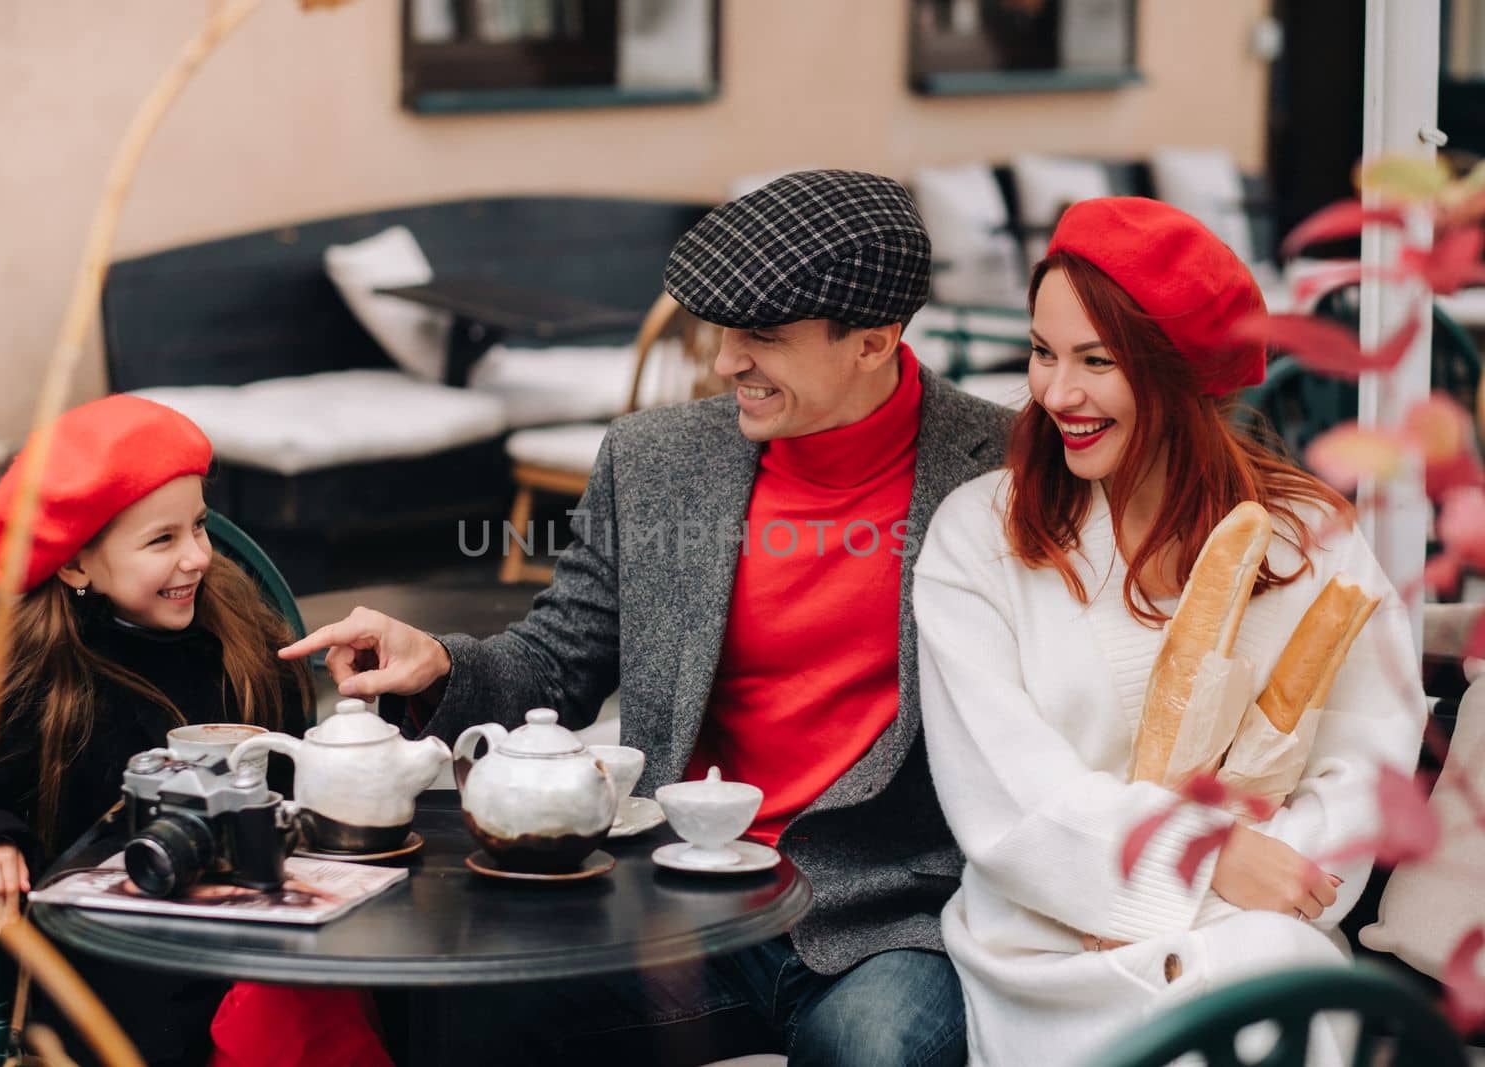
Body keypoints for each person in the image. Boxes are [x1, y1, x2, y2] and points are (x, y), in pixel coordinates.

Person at [281, 169, 1015, 1065]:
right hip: (683, 896)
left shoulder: (1007, 472)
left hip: (893, 916)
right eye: (723, 332)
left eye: (763, 338)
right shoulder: (657, 458)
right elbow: (558, 661)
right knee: (452, 1017)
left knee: (875, 1052)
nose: (725, 362)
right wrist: (437, 659)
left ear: (874, 341)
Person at [911, 197, 1426, 1066]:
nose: (1055, 392)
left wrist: (1223, 886)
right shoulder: (977, 536)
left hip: (1262, 932)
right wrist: (1202, 861)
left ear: (1181, 372)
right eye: (1042, 351)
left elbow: (1368, 758)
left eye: (1096, 360)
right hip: (1053, 951)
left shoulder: (1308, 539)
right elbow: (1008, 794)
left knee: (1272, 986)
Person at [0, 395, 382, 1067]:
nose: (197, 558)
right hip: (114, 975)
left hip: (252, 938)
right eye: (162, 539)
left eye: (200, 526)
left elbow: (289, 776)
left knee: (347, 985)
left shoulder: (236, 642)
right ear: (74, 564)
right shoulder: (40, 680)